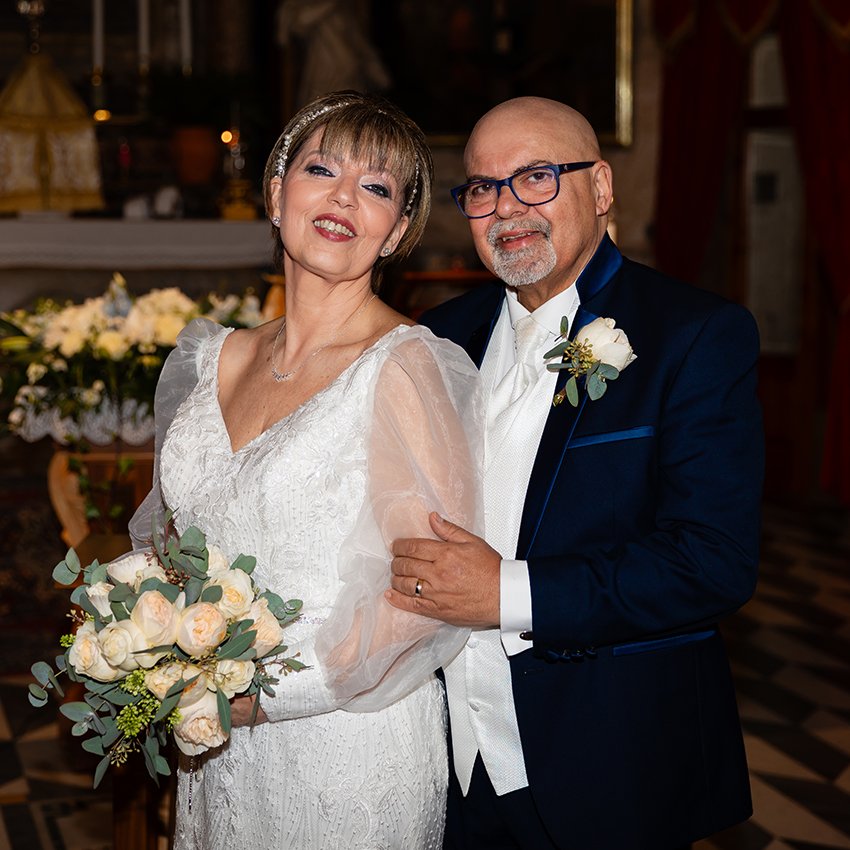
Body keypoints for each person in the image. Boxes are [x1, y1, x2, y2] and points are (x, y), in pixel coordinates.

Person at [387, 96, 763, 850]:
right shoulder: (438, 337)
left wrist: (507, 593)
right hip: (447, 765)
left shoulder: (693, 335)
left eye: (536, 177)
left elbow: (712, 561)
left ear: (601, 187)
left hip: (609, 758)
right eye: (483, 188)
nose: (507, 208)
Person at [129, 90, 483, 849]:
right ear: (275, 193)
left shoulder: (404, 368)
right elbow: (168, 543)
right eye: (322, 169)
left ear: (395, 233)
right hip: (215, 748)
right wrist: (148, 644)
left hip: (347, 748)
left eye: (377, 187)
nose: (344, 197)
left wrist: (258, 695)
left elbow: (428, 593)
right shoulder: (212, 358)